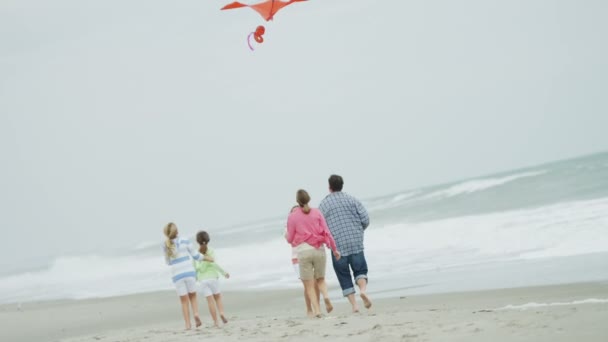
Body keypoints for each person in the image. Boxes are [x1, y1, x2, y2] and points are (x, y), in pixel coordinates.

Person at [319, 174, 372, 313]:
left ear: (329, 187)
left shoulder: (324, 205)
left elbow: (320, 227)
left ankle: (354, 305)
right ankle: (363, 290)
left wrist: (326, 241)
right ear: (342, 185)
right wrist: (358, 231)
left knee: (343, 275)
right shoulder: (352, 199)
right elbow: (366, 219)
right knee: (360, 270)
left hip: (337, 246)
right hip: (355, 241)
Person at [286, 189, 341, 318]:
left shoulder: (292, 216)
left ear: (297, 201)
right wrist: (334, 249)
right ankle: (326, 297)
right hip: (319, 250)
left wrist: (296, 235)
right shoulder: (317, 212)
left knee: (309, 284)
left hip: (304, 252)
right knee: (320, 280)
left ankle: (316, 311)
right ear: (308, 198)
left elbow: (289, 239)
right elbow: (327, 232)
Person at [162, 222, 211, 329]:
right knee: (193, 296)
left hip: (177, 275)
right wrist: (208, 258)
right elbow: (196, 256)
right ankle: (196, 314)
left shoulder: (165, 245)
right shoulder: (185, 240)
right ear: (177, 231)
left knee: (184, 301)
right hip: (189, 272)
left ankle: (188, 324)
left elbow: (168, 262)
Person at [284, 205, 320, 317]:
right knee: (308, 284)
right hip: (297, 259)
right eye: (293, 213)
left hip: (310, 255)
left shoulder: (306, 224)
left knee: (316, 283)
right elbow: (290, 240)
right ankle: (309, 309)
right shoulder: (288, 228)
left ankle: (317, 308)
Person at [194, 231, 230, 327]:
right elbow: (213, 264)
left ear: (198, 241)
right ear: (208, 240)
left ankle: (215, 322)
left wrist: (196, 277)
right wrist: (223, 272)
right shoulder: (211, 250)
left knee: (210, 301)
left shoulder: (195, 253)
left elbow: (195, 267)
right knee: (217, 297)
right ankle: (221, 313)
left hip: (203, 280)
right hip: (213, 277)